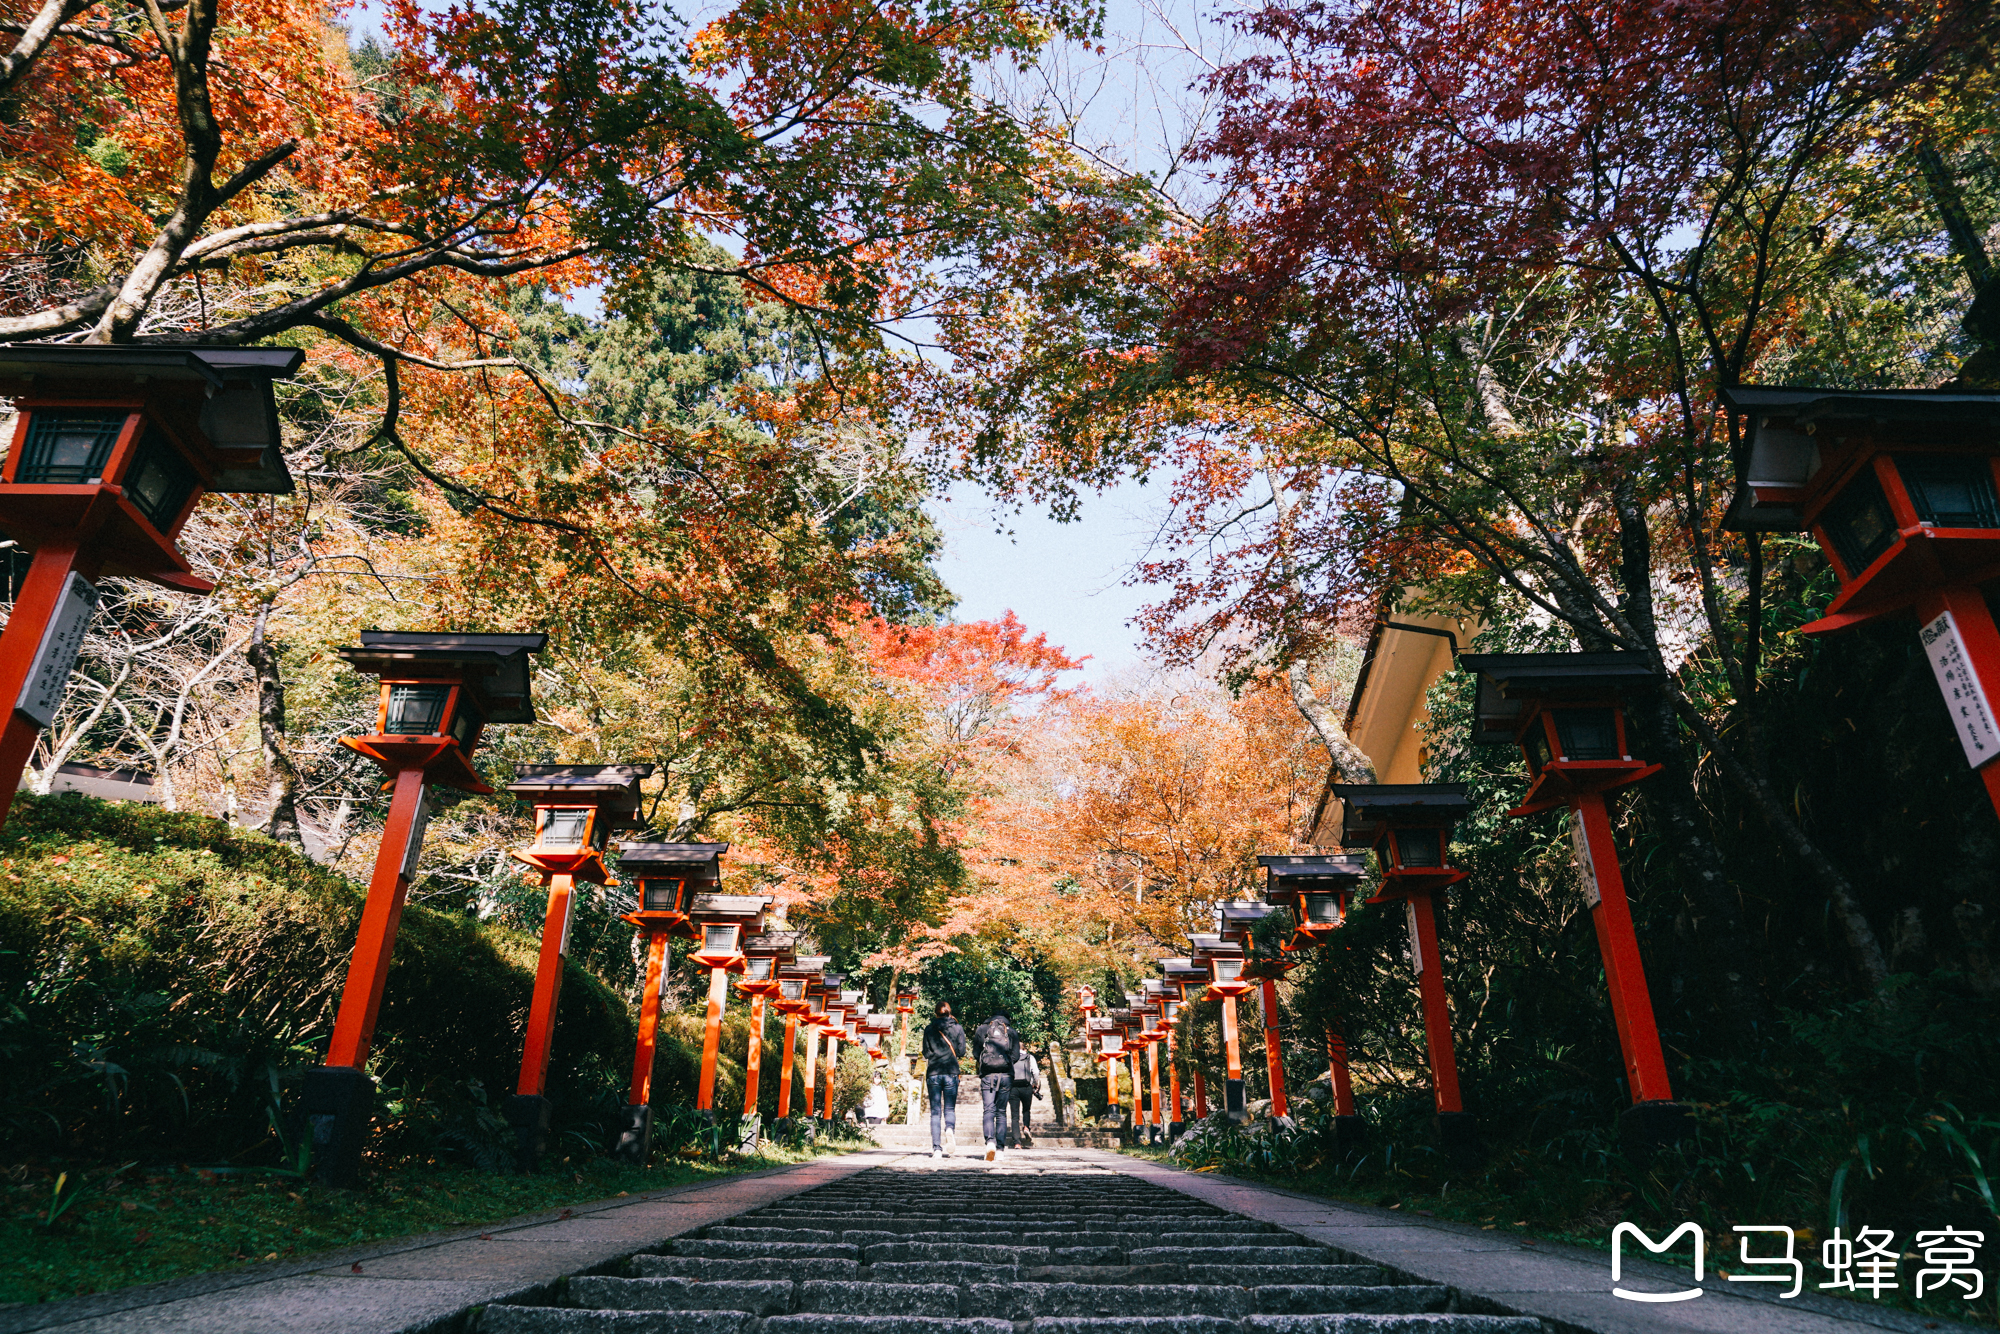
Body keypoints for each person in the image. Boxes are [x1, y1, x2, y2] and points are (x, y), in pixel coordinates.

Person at [974, 1009, 1022, 1161]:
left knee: (988, 1110)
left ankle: (990, 1143)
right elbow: (1015, 1056)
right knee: (1001, 1112)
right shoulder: (1011, 1031)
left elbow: (976, 1053)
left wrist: (987, 1063)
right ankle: (1000, 1149)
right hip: (1006, 1075)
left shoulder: (982, 1029)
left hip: (988, 1075)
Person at [921, 1001, 967, 1159]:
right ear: (949, 1012)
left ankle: (937, 1149)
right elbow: (961, 1052)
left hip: (934, 1072)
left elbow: (926, 1053)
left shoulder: (929, 1028)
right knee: (949, 1109)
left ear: (936, 1013)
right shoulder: (957, 1028)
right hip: (951, 1072)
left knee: (935, 1112)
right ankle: (949, 1129)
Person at [1009, 1045, 1041, 1149]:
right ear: (1024, 1049)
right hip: (1027, 1087)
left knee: (1015, 1116)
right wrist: (1036, 1083)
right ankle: (1026, 1127)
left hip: (1013, 1088)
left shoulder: (1009, 1056)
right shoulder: (1029, 1057)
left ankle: (1017, 1142)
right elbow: (1035, 1072)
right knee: (1026, 1110)